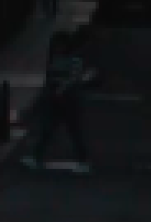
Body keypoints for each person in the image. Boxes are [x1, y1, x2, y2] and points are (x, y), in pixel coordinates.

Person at [21, 29, 97, 171]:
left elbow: (74, 78)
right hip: (55, 100)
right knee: (48, 129)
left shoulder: (74, 60)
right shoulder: (55, 60)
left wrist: (61, 89)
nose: (57, 48)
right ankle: (35, 157)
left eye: (60, 45)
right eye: (55, 45)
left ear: (67, 45)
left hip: (69, 100)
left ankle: (84, 161)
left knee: (73, 131)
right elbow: (49, 79)